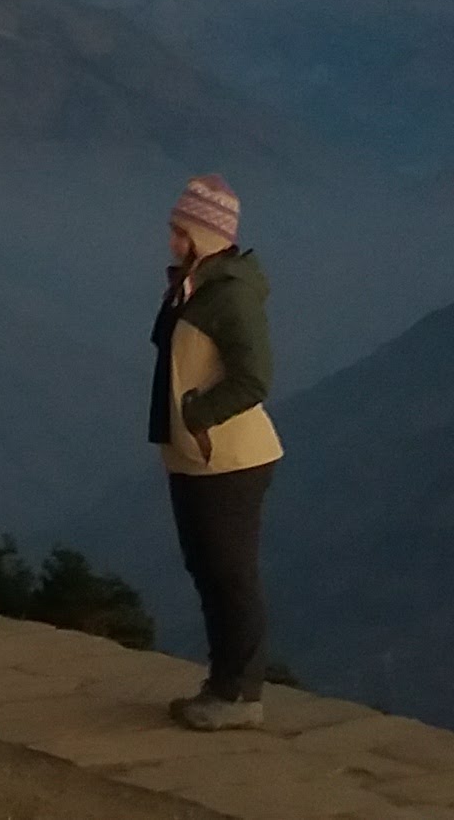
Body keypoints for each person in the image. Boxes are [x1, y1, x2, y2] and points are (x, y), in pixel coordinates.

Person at [151, 173, 278, 729]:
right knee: (208, 572)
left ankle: (240, 695)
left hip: (230, 460)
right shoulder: (195, 286)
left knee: (231, 575)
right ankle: (222, 683)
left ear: (205, 233)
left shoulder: (232, 297)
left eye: (181, 232)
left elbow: (255, 379)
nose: (172, 241)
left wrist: (198, 417)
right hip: (196, 459)